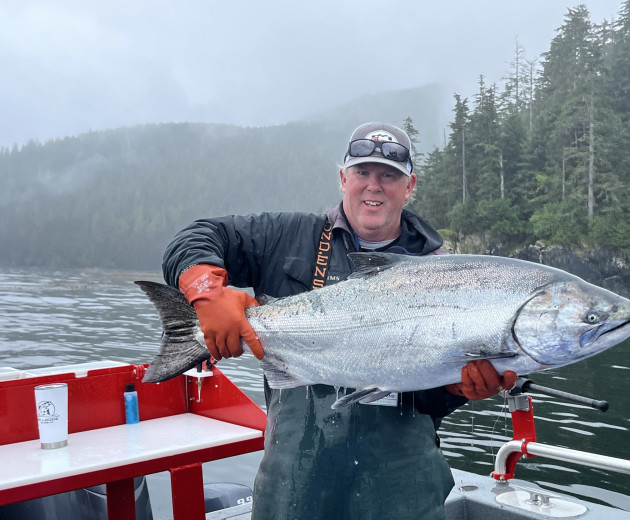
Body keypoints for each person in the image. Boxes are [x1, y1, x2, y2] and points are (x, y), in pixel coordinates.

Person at [161, 122, 517, 519]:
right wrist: (206, 289)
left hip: (401, 484)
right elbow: (197, 235)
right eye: (362, 172)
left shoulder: (442, 272)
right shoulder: (287, 236)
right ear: (342, 178)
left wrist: (456, 388)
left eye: (389, 176)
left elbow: (429, 400)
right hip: (296, 475)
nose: (374, 186)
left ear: (409, 185)